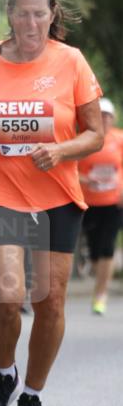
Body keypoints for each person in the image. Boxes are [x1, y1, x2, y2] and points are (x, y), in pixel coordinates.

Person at [0, 0, 103, 406]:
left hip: (56, 196)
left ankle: (33, 397)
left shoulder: (72, 62)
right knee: (6, 296)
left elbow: (95, 134)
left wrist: (61, 150)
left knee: (51, 301)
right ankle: (5, 375)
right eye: (22, 14)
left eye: (39, 14)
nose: (30, 24)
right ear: (9, 14)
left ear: (52, 13)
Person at [78, 98, 123, 314]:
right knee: (96, 251)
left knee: (107, 246)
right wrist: (87, 181)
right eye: (100, 114)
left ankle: (100, 294)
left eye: (107, 115)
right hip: (89, 202)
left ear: (113, 118)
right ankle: (100, 281)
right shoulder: (83, 140)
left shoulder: (119, 139)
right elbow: (70, 170)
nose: (104, 119)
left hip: (114, 202)